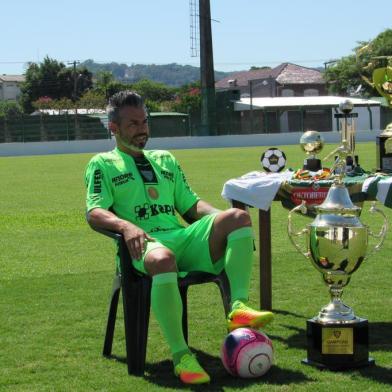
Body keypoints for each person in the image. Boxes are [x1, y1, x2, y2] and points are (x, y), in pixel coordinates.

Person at [84, 90, 273, 385]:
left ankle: (237, 308)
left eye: (144, 121)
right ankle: (181, 356)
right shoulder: (103, 164)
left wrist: (222, 222)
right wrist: (126, 226)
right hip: (143, 247)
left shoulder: (165, 159)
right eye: (132, 124)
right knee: (164, 258)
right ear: (114, 128)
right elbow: (94, 212)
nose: (142, 128)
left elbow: (191, 206)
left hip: (182, 237)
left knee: (237, 217)